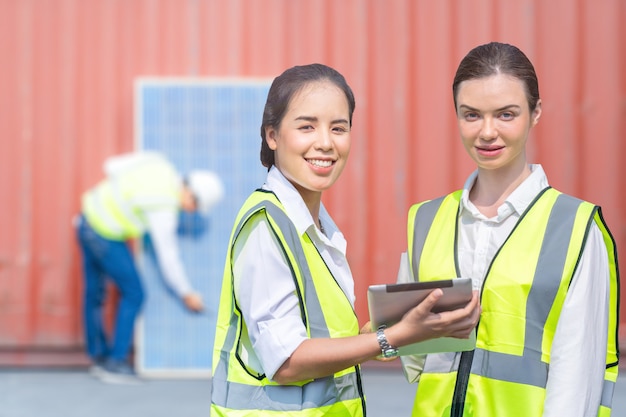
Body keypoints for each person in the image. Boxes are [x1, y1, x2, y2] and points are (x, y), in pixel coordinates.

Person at [210, 63, 481, 416]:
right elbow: (287, 361)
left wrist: (392, 327)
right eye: (306, 126)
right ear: (272, 135)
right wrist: (391, 339)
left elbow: (321, 337)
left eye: (338, 128)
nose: (325, 142)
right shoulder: (267, 225)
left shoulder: (316, 226)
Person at [399, 42, 620, 417]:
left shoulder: (575, 228)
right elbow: (414, 360)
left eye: (506, 114)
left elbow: (577, 379)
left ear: (535, 113)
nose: (487, 132)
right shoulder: (425, 220)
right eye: (471, 115)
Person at [75, 151, 224, 384]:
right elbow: (168, 256)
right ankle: (115, 363)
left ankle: (100, 359)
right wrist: (186, 293)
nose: (191, 211)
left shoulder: (159, 164)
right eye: (195, 206)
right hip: (104, 233)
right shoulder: (164, 206)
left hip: (87, 218)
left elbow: (111, 165)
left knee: (94, 294)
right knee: (135, 293)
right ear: (191, 195)